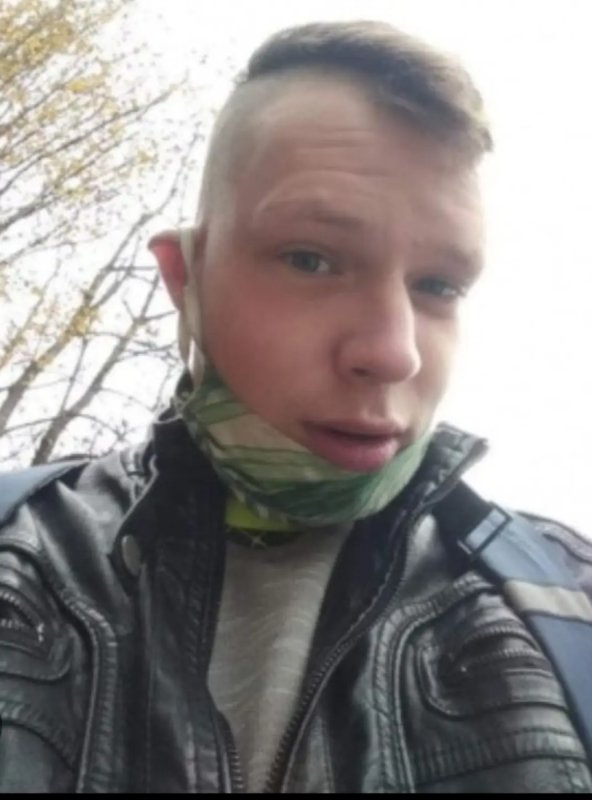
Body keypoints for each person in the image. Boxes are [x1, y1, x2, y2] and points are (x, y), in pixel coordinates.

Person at [0, 20, 590, 794]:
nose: (394, 353)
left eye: (439, 285)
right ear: (186, 280)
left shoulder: (567, 602)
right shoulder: (18, 555)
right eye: (311, 259)